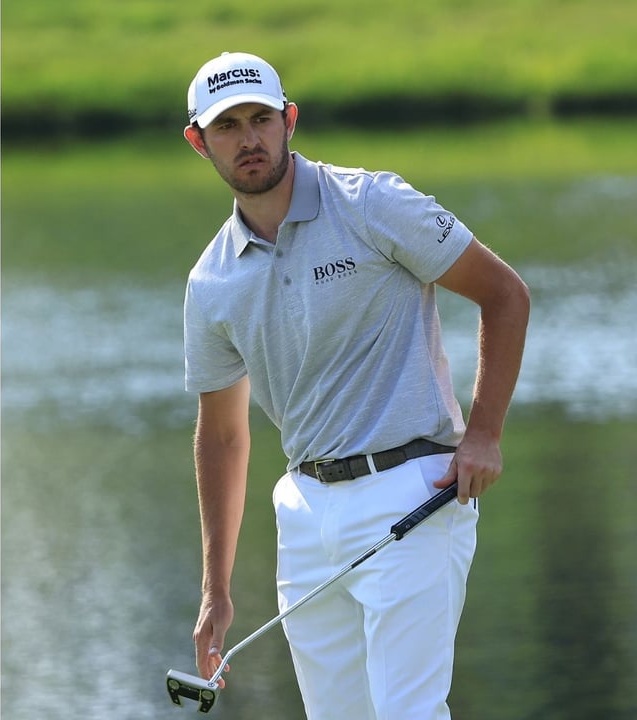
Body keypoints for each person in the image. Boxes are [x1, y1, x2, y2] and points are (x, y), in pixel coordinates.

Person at [181, 53, 530, 719]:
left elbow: (505, 295)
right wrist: (215, 588)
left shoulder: (371, 204)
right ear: (200, 142)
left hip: (414, 494)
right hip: (306, 516)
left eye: (261, 118)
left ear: (290, 121)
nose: (248, 139)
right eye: (227, 126)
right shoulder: (211, 281)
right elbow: (223, 436)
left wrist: (484, 433)